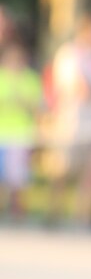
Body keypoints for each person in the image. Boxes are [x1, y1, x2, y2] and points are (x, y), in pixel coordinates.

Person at [0, 40, 43, 220]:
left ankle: (17, 211)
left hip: (22, 134)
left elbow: (36, 105)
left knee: (18, 177)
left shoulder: (30, 79)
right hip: (2, 133)